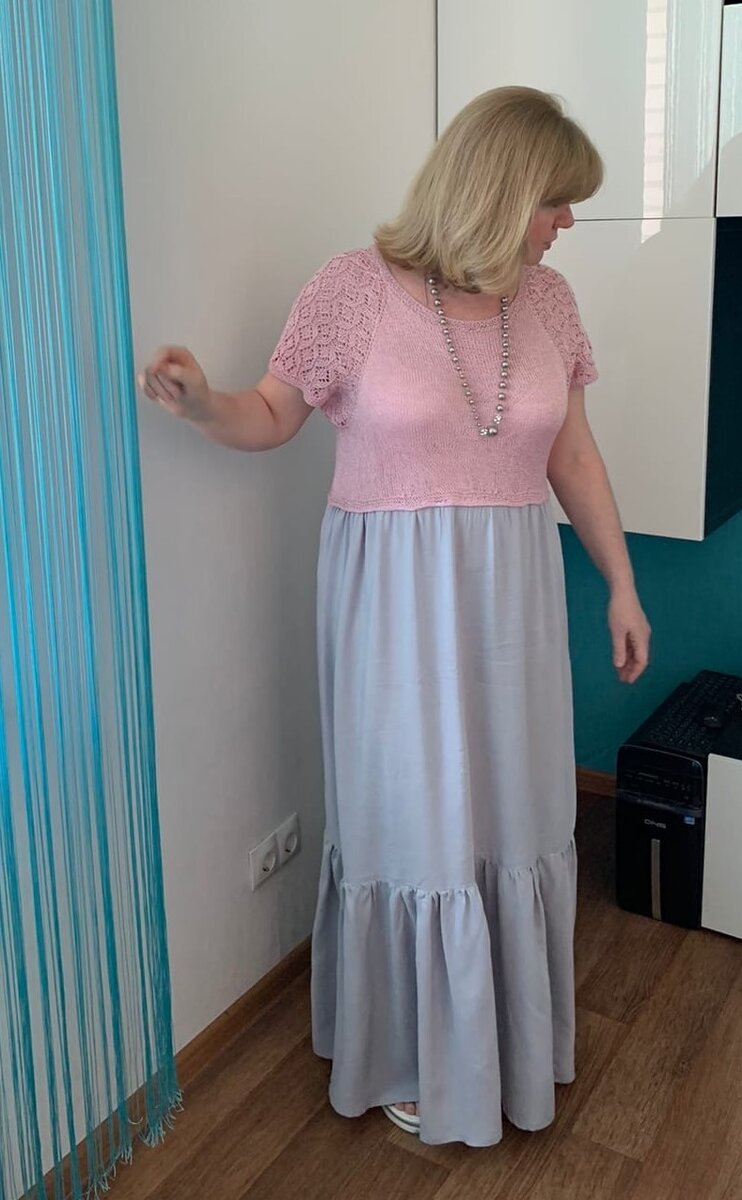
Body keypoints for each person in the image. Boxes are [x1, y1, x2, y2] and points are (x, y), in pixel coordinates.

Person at [138, 86, 650, 1148]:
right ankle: (413, 1050)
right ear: (497, 191)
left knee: (511, 814)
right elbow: (271, 413)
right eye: (556, 200)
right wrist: (200, 404)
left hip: (512, 601)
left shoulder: (550, 301)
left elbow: (571, 451)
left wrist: (621, 582)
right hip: (394, 610)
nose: (567, 221)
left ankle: (504, 1037)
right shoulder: (353, 289)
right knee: (412, 818)